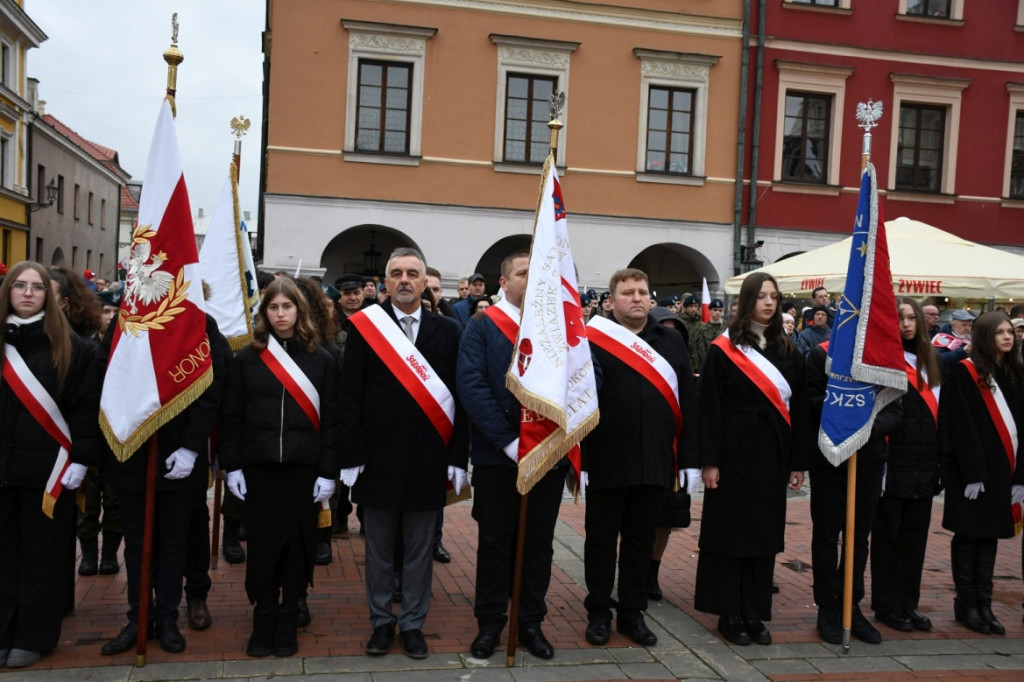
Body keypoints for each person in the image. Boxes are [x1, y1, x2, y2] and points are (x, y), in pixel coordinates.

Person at [338, 247, 468, 660]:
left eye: (413, 272)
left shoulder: (448, 331)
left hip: (429, 460)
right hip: (377, 460)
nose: (405, 280)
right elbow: (350, 396)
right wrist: (351, 453)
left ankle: (412, 624)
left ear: (427, 280)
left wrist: (457, 456)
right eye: (397, 273)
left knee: (418, 550)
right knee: (376, 549)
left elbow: (461, 398)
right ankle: (381, 623)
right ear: (386, 282)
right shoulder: (364, 328)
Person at [220, 278, 339, 657]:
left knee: (298, 549)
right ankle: (264, 615)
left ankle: (288, 617)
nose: (280, 314)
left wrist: (328, 471)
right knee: (263, 548)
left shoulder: (323, 358)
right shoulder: (247, 359)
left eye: (287, 307)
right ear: (264, 313)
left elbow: (334, 421)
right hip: (260, 470)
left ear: (299, 311)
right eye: (273, 308)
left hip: (305, 472)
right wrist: (232, 466)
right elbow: (232, 417)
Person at [100, 313, 230, 657]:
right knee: (137, 544)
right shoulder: (125, 318)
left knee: (174, 541)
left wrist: (190, 446)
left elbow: (211, 388)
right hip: (133, 450)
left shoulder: (200, 321)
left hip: (180, 453)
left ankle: (167, 617)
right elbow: (106, 376)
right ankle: (137, 618)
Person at [457, 250, 565, 660]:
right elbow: (471, 385)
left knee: (538, 544)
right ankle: (490, 624)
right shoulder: (481, 326)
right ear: (504, 282)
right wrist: (508, 441)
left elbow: (586, 376)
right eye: (524, 273)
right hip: (497, 456)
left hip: (547, 455)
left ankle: (530, 622)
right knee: (496, 541)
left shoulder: (560, 326)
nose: (532, 280)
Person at [582, 268, 698, 648]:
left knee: (639, 541)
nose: (636, 298)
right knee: (600, 541)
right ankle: (599, 610)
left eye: (642, 292)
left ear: (651, 298)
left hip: (655, 460)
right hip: (605, 458)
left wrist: (690, 459)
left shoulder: (671, 341)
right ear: (611, 301)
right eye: (627, 292)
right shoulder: (591, 339)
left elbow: (688, 403)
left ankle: (632, 613)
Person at [694, 272, 812, 647]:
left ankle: (754, 610)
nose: (769, 302)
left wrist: (797, 462)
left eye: (774, 297)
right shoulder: (722, 349)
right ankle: (729, 611)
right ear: (747, 300)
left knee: (763, 534)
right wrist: (709, 461)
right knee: (729, 532)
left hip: (772, 455)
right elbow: (708, 409)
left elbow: (803, 411)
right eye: (761, 296)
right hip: (731, 455)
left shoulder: (789, 350)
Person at [0, 262, 102, 668]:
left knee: (41, 558)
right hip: (2, 468)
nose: (27, 293)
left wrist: (82, 459)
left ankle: (32, 634)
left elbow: (85, 409)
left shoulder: (74, 348)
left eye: (37, 287)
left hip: (49, 472)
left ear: (50, 295)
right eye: (19, 286)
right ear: (7, 290)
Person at [806, 340, 902, 645]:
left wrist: (863, 428)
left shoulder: (882, 355)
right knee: (826, 534)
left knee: (859, 537)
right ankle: (827, 606)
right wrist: (844, 418)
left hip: (868, 459)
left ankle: (851, 603)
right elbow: (810, 399)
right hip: (830, 458)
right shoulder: (822, 354)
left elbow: (894, 408)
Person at [939, 312, 1024, 636]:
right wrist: (973, 471)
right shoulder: (965, 372)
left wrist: (1021, 478)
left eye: (1010, 332)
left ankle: (984, 603)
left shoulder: (1016, 372)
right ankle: (967, 604)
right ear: (986, 335)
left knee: (989, 536)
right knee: (969, 534)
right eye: (1000, 332)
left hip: (1005, 469)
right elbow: (960, 424)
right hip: (971, 472)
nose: (1008, 337)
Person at [870, 297, 942, 633]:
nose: (907, 324)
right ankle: (887, 605)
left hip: (924, 465)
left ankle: (908, 604)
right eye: (900, 318)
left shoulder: (933, 363)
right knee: (889, 540)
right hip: (892, 463)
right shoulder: (883, 361)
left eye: (912, 318)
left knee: (915, 541)